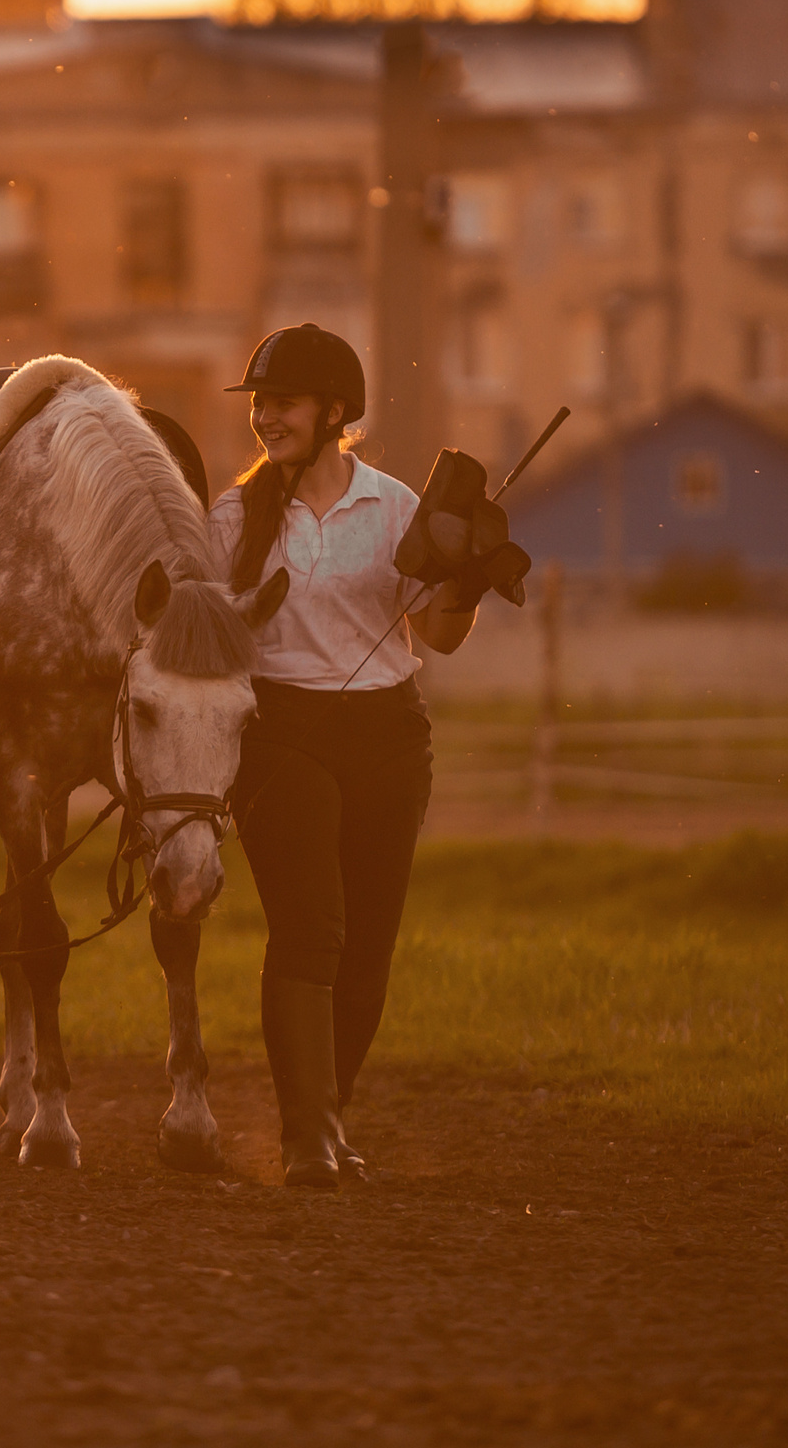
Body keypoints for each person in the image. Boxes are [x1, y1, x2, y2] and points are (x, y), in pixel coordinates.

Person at [206, 323, 521, 1192]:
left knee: (368, 948)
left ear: (336, 411)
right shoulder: (229, 516)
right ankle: (305, 1136)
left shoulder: (394, 510)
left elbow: (444, 639)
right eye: (259, 402)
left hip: (388, 737)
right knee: (312, 932)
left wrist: (467, 574)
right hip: (280, 735)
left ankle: (330, 1113)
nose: (265, 416)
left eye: (283, 401)